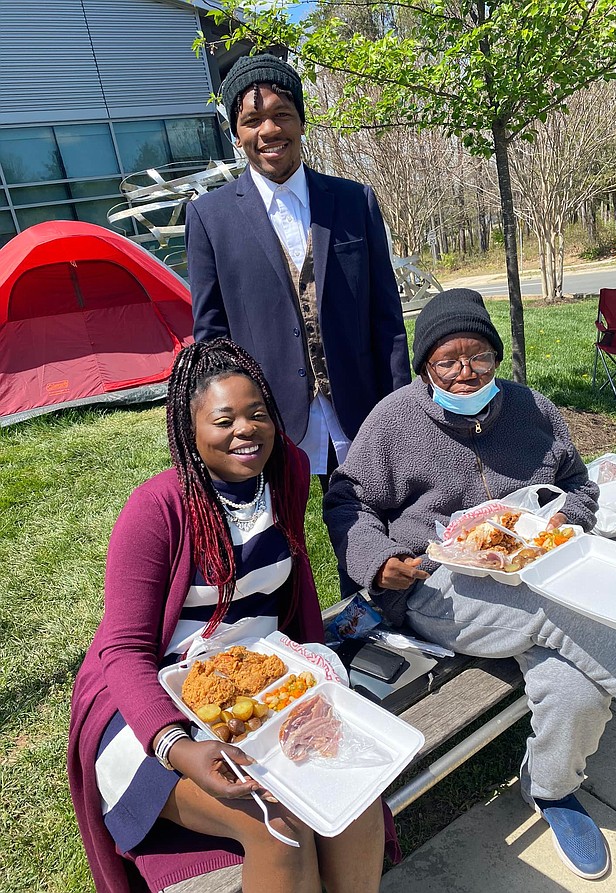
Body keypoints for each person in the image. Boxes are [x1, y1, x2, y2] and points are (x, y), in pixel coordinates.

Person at [324, 288, 616, 881]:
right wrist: (378, 561)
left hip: (536, 577)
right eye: (447, 362)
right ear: (425, 368)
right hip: (434, 590)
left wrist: (563, 521)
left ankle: (552, 789)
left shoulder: (532, 410)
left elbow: (579, 488)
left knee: (577, 692)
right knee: (556, 610)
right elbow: (346, 500)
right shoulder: (396, 419)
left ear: (496, 356)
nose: (465, 374)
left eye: (478, 357)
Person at [68, 338, 386, 893]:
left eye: (257, 412)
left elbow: (298, 589)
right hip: (151, 703)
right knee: (278, 823)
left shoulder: (284, 473)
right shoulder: (156, 509)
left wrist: (324, 674)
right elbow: (123, 651)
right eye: (224, 419)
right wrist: (179, 749)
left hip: (263, 688)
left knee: (353, 793)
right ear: (190, 432)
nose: (246, 430)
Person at [185, 53, 411, 484]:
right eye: (253, 120)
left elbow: (387, 317)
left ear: (301, 121)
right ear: (236, 133)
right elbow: (211, 337)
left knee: (371, 522)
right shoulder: (209, 218)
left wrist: (400, 404)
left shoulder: (353, 202)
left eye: (281, 115)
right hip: (266, 416)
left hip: (358, 402)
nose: (269, 130)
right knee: (274, 540)